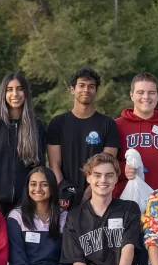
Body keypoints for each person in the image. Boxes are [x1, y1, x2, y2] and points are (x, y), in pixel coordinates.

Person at [114, 73, 158, 265]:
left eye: (151, 92)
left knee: (153, 262)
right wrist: (122, 168)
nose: (145, 97)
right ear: (131, 95)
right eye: (140, 92)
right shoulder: (116, 126)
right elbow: (105, 162)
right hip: (126, 205)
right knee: (125, 259)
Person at [0, 73, 47, 216]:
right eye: (9, 89)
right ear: (3, 93)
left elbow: (40, 167)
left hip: (25, 205)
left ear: (26, 92)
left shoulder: (36, 126)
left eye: (19, 89)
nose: (15, 94)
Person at [47, 67, 120, 210]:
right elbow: (54, 165)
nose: (86, 90)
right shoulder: (57, 123)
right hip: (65, 198)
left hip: (98, 196)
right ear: (72, 89)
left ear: (95, 91)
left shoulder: (108, 124)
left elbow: (108, 164)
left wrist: (87, 194)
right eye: (81, 85)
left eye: (91, 86)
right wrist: (65, 191)